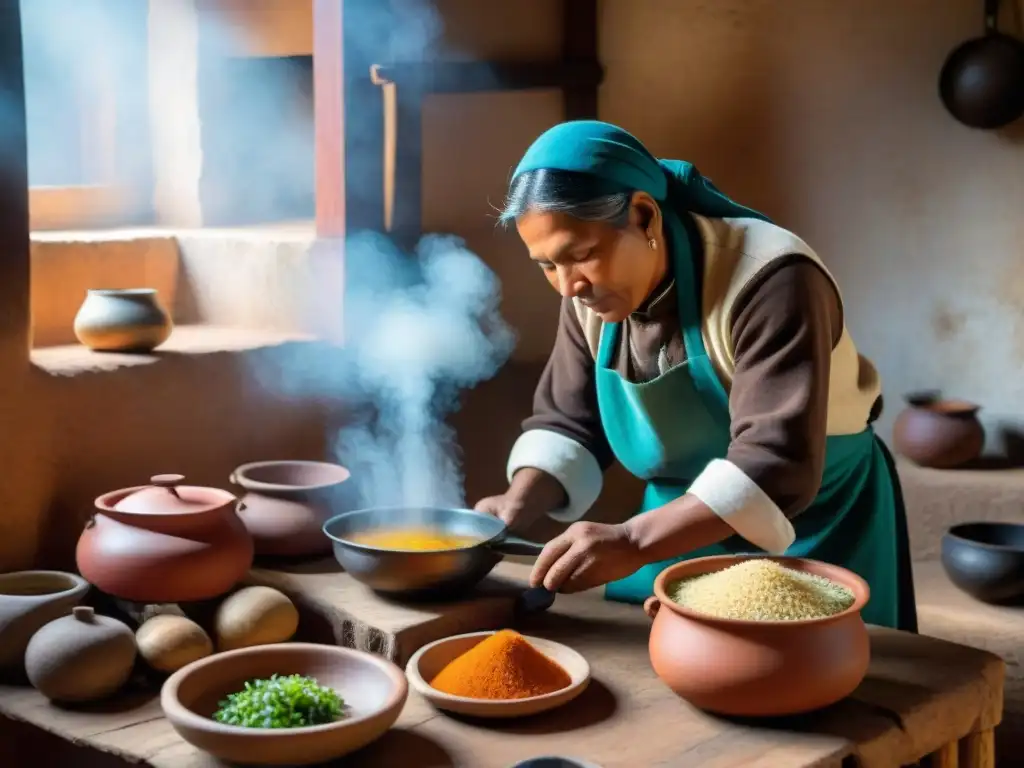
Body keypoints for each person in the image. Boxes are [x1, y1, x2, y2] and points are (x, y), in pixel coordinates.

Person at [474, 120, 917, 632]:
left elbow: (775, 462)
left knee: (832, 678)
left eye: (582, 254)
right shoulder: (586, 296)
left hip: (817, 517)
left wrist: (634, 541)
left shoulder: (772, 277)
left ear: (643, 216)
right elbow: (571, 419)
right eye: (546, 265)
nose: (568, 285)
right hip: (675, 521)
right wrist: (517, 502)